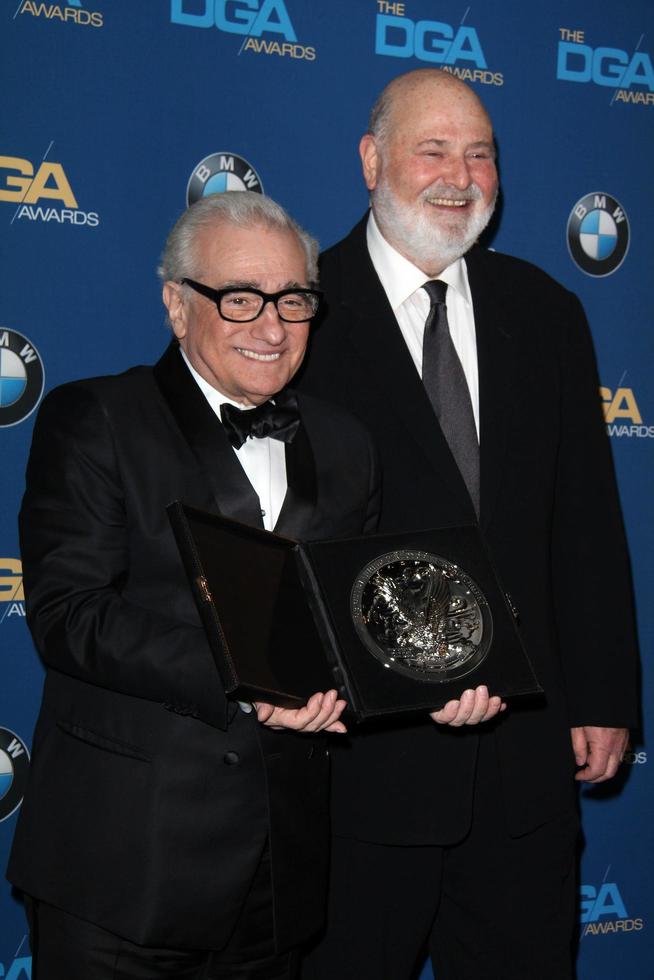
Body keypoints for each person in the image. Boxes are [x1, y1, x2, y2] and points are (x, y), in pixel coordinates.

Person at [298, 69, 639, 980]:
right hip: (359, 779)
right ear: (372, 161)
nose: (461, 174)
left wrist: (605, 697)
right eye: (434, 149)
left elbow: (586, 523)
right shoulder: (298, 315)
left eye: (480, 153)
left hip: (522, 772)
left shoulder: (547, 313)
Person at [7, 191, 383, 980]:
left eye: (293, 300)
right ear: (178, 306)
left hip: (279, 876)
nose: (273, 327)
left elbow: (354, 617)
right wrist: (247, 680)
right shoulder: (98, 419)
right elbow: (70, 616)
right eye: (239, 298)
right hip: (122, 868)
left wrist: (441, 674)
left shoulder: (346, 445)